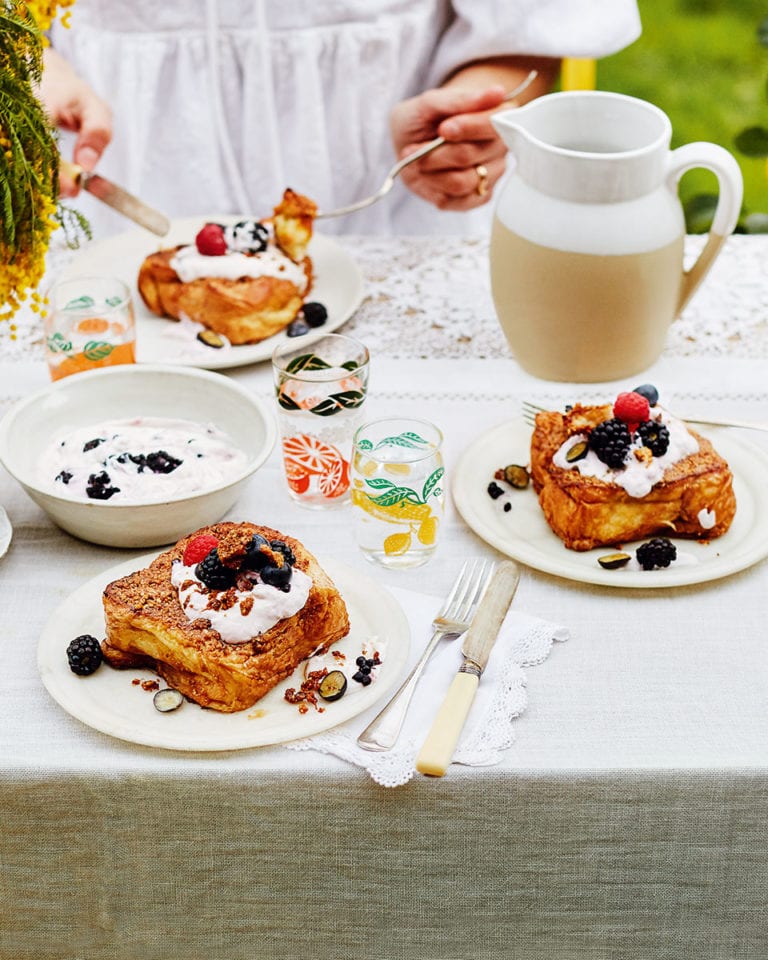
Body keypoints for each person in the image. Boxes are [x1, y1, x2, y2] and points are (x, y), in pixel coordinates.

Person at [43, 1, 641, 238]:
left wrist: (462, 117)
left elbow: (534, 24)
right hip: (110, 212)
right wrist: (27, 69)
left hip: (396, 222)